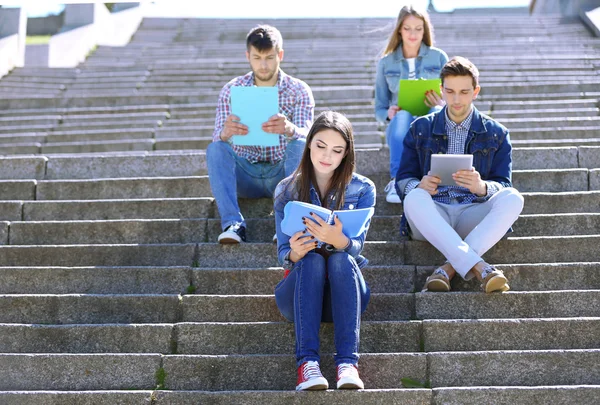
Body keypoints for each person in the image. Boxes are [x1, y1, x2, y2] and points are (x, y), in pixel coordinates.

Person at [395, 56, 524, 293]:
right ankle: (481, 268)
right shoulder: (420, 128)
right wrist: (420, 185)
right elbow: (403, 178)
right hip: (432, 214)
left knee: (514, 197)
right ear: (441, 90)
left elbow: (504, 183)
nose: (456, 99)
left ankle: (448, 269)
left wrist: (482, 187)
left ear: (475, 92)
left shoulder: (497, 133)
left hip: (472, 212)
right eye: (450, 91)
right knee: (413, 196)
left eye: (464, 92)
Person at [273, 111, 376, 391]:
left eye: (337, 150)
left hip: (345, 294)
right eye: (320, 145)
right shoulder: (286, 190)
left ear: (346, 154)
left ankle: (347, 365)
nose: (327, 155)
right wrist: (294, 252)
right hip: (299, 294)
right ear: (308, 144)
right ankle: (307, 365)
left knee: (341, 258)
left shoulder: (363, 188)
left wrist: (338, 240)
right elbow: (283, 254)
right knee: (312, 261)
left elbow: (357, 249)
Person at [207, 24, 315, 243]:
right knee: (216, 148)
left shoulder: (299, 89)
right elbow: (217, 137)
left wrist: (290, 129)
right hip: (245, 174)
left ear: (280, 55)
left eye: (269, 57)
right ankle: (233, 224)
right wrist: (225, 132)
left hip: (282, 173)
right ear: (248, 56)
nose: (263, 65)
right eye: (257, 58)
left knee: (300, 144)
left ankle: (287, 225)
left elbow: (309, 136)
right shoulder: (232, 89)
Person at [375, 4, 448, 203]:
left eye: (418, 28)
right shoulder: (386, 63)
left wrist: (443, 103)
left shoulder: (439, 57)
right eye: (407, 28)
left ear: (425, 30)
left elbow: (452, 98)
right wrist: (389, 113)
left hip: (431, 121)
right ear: (399, 29)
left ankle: (434, 180)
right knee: (403, 116)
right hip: (400, 125)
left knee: (435, 111)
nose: (413, 34)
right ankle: (396, 181)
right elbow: (379, 109)